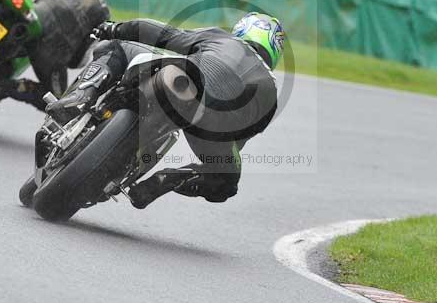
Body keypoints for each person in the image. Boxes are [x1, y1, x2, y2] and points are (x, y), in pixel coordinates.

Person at [46, 12, 285, 208]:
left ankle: (80, 97)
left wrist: (114, 28)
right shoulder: (271, 94)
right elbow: (238, 141)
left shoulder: (221, 38)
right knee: (227, 181)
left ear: (243, 29)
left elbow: (162, 34)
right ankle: (168, 180)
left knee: (116, 47)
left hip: (181, 80)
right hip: (211, 127)